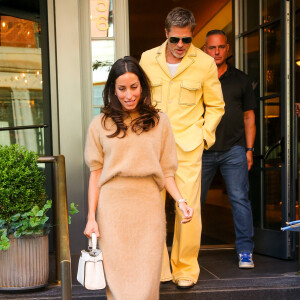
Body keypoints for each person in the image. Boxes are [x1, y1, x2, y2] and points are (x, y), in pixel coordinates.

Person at [83, 56, 194, 300]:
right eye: (122, 88)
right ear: (113, 89)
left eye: (134, 87)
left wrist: (181, 201)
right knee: (118, 281)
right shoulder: (99, 124)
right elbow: (96, 174)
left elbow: (167, 172)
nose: (129, 94)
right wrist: (91, 218)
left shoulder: (160, 121)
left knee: (147, 281)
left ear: (142, 86)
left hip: (148, 208)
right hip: (113, 209)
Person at [140, 7, 225, 288]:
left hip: (188, 148)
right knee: (153, 209)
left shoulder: (204, 63)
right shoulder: (146, 60)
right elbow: (139, 101)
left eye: (186, 40)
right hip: (152, 147)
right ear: (165, 33)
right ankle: (160, 267)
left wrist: (204, 136)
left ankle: (185, 268)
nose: (180, 46)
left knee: (187, 209)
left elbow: (216, 106)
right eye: (175, 39)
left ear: (193, 36)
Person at [201, 29, 256, 268]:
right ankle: (186, 252)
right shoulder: (198, 77)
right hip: (202, 149)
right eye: (212, 47)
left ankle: (245, 251)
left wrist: (249, 149)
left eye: (221, 47)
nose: (216, 52)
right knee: (193, 202)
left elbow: (249, 117)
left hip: (234, 149)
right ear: (205, 50)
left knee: (239, 199)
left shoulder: (241, 79)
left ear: (227, 49)